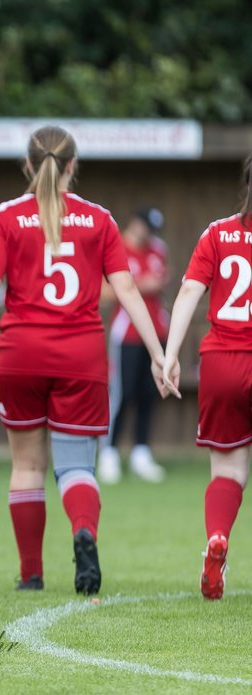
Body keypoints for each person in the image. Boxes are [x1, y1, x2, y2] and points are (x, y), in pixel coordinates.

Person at [0, 125, 177, 594]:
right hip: (81, 356)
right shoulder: (100, 219)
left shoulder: (6, 216)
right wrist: (159, 353)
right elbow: (127, 288)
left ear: (28, 166)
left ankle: (31, 574)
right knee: (76, 468)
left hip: (21, 354)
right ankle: (83, 531)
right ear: (73, 166)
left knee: (27, 466)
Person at [161, 154, 252, 600]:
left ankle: (217, 537)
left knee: (228, 468)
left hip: (223, 363)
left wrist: (170, 354)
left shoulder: (217, 233)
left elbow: (189, 292)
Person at [99, 207, 170, 484]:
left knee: (148, 393)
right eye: (145, 227)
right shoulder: (118, 248)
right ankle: (110, 453)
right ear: (134, 224)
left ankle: (141, 451)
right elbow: (105, 290)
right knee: (122, 393)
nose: (148, 235)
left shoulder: (157, 249)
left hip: (155, 331)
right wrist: (142, 285)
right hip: (126, 334)